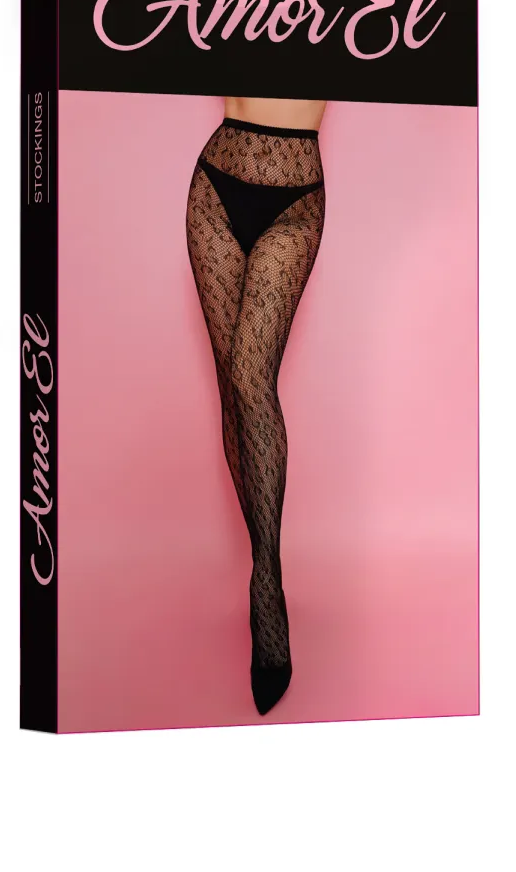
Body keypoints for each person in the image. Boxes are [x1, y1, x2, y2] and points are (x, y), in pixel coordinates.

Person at [185, 96, 327, 714]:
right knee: (230, 387)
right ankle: (261, 563)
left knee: (251, 377)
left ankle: (266, 583)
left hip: (294, 198)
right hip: (215, 184)